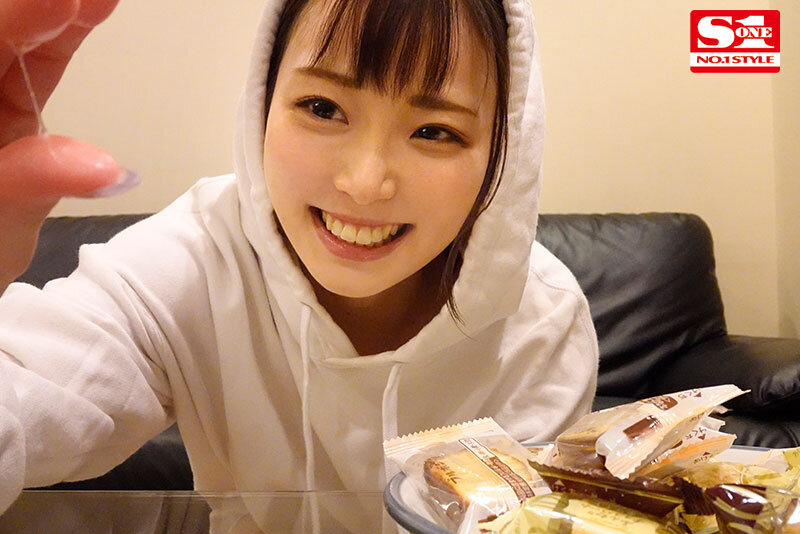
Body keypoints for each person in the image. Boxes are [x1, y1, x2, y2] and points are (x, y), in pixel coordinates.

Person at [0, 0, 599, 524]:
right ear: (263, 100)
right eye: (322, 107)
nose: (364, 183)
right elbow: (26, 398)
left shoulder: (539, 323)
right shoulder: (193, 259)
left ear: (503, 150)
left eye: (436, 132)